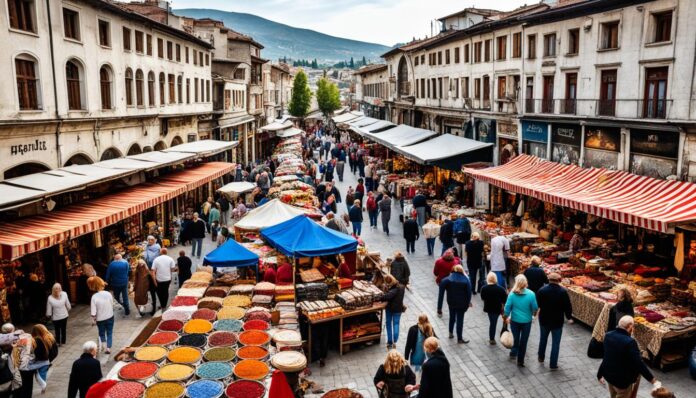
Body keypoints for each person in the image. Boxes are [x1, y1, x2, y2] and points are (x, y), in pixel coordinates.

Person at [597, 316, 660, 397]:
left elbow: (606, 356)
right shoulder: (630, 342)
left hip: (609, 377)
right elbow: (639, 364)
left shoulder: (608, 335)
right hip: (622, 382)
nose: (633, 328)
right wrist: (653, 380)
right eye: (633, 326)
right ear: (630, 326)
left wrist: (599, 374)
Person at [536, 273, 573, 370]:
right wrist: (569, 317)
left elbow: (538, 304)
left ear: (549, 279)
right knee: (555, 343)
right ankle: (553, 364)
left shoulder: (541, 290)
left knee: (543, 339)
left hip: (544, 319)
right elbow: (567, 306)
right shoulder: (563, 292)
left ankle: (541, 357)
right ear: (559, 280)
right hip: (557, 321)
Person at [504, 274, 538, 367]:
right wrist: (532, 313)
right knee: (524, 341)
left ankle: (513, 352)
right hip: (527, 321)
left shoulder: (512, 294)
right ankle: (520, 360)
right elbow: (535, 308)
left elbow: (507, 307)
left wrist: (506, 317)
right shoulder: (531, 294)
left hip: (515, 320)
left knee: (516, 338)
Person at [437, 265, 473, 344]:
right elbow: (469, 293)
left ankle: (450, 333)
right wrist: (468, 303)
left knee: (452, 316)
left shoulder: (447, 280)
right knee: (460, 320)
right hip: (462, 304)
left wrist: (439, 309)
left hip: (451, 302)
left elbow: (441, 295)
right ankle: (459, 338)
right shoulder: (466, 280)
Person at [88, 277, 114, 354]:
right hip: (110, 316)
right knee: (109, 332)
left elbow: (93, 311)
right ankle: (108, 348)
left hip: (100, 319)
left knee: (101, 332)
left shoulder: (94, 297)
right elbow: (112, 304)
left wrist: (93, 320)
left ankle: (103, 344)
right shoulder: (108, 293)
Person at [480, 272, 508, 345]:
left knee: (493, 323)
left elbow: (482, 298)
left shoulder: (484, 288)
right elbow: (505, 300)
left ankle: (492, 339)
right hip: (498, 308)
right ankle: (501, 335)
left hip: (489, 309)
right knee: (495, 323)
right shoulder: (501, 289)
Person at [30, 324, 58, 393]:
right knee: (42, 374)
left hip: (36, 362)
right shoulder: (50, 337)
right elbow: (55, 351)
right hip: (45, 361)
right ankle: (43, 387)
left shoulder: (34, 340)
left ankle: (43, 386)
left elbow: (34, 353)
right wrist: (49, 359)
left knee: (38, 375)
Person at [382, 275, 405, 349]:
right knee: (396, 323)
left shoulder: (394, 289)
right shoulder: (402, 287)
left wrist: (380, 297)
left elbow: (387, 296)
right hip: (398, 309)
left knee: (388, 323)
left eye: (387, 283)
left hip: (390, 309)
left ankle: (390, 341)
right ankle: (395, 340)